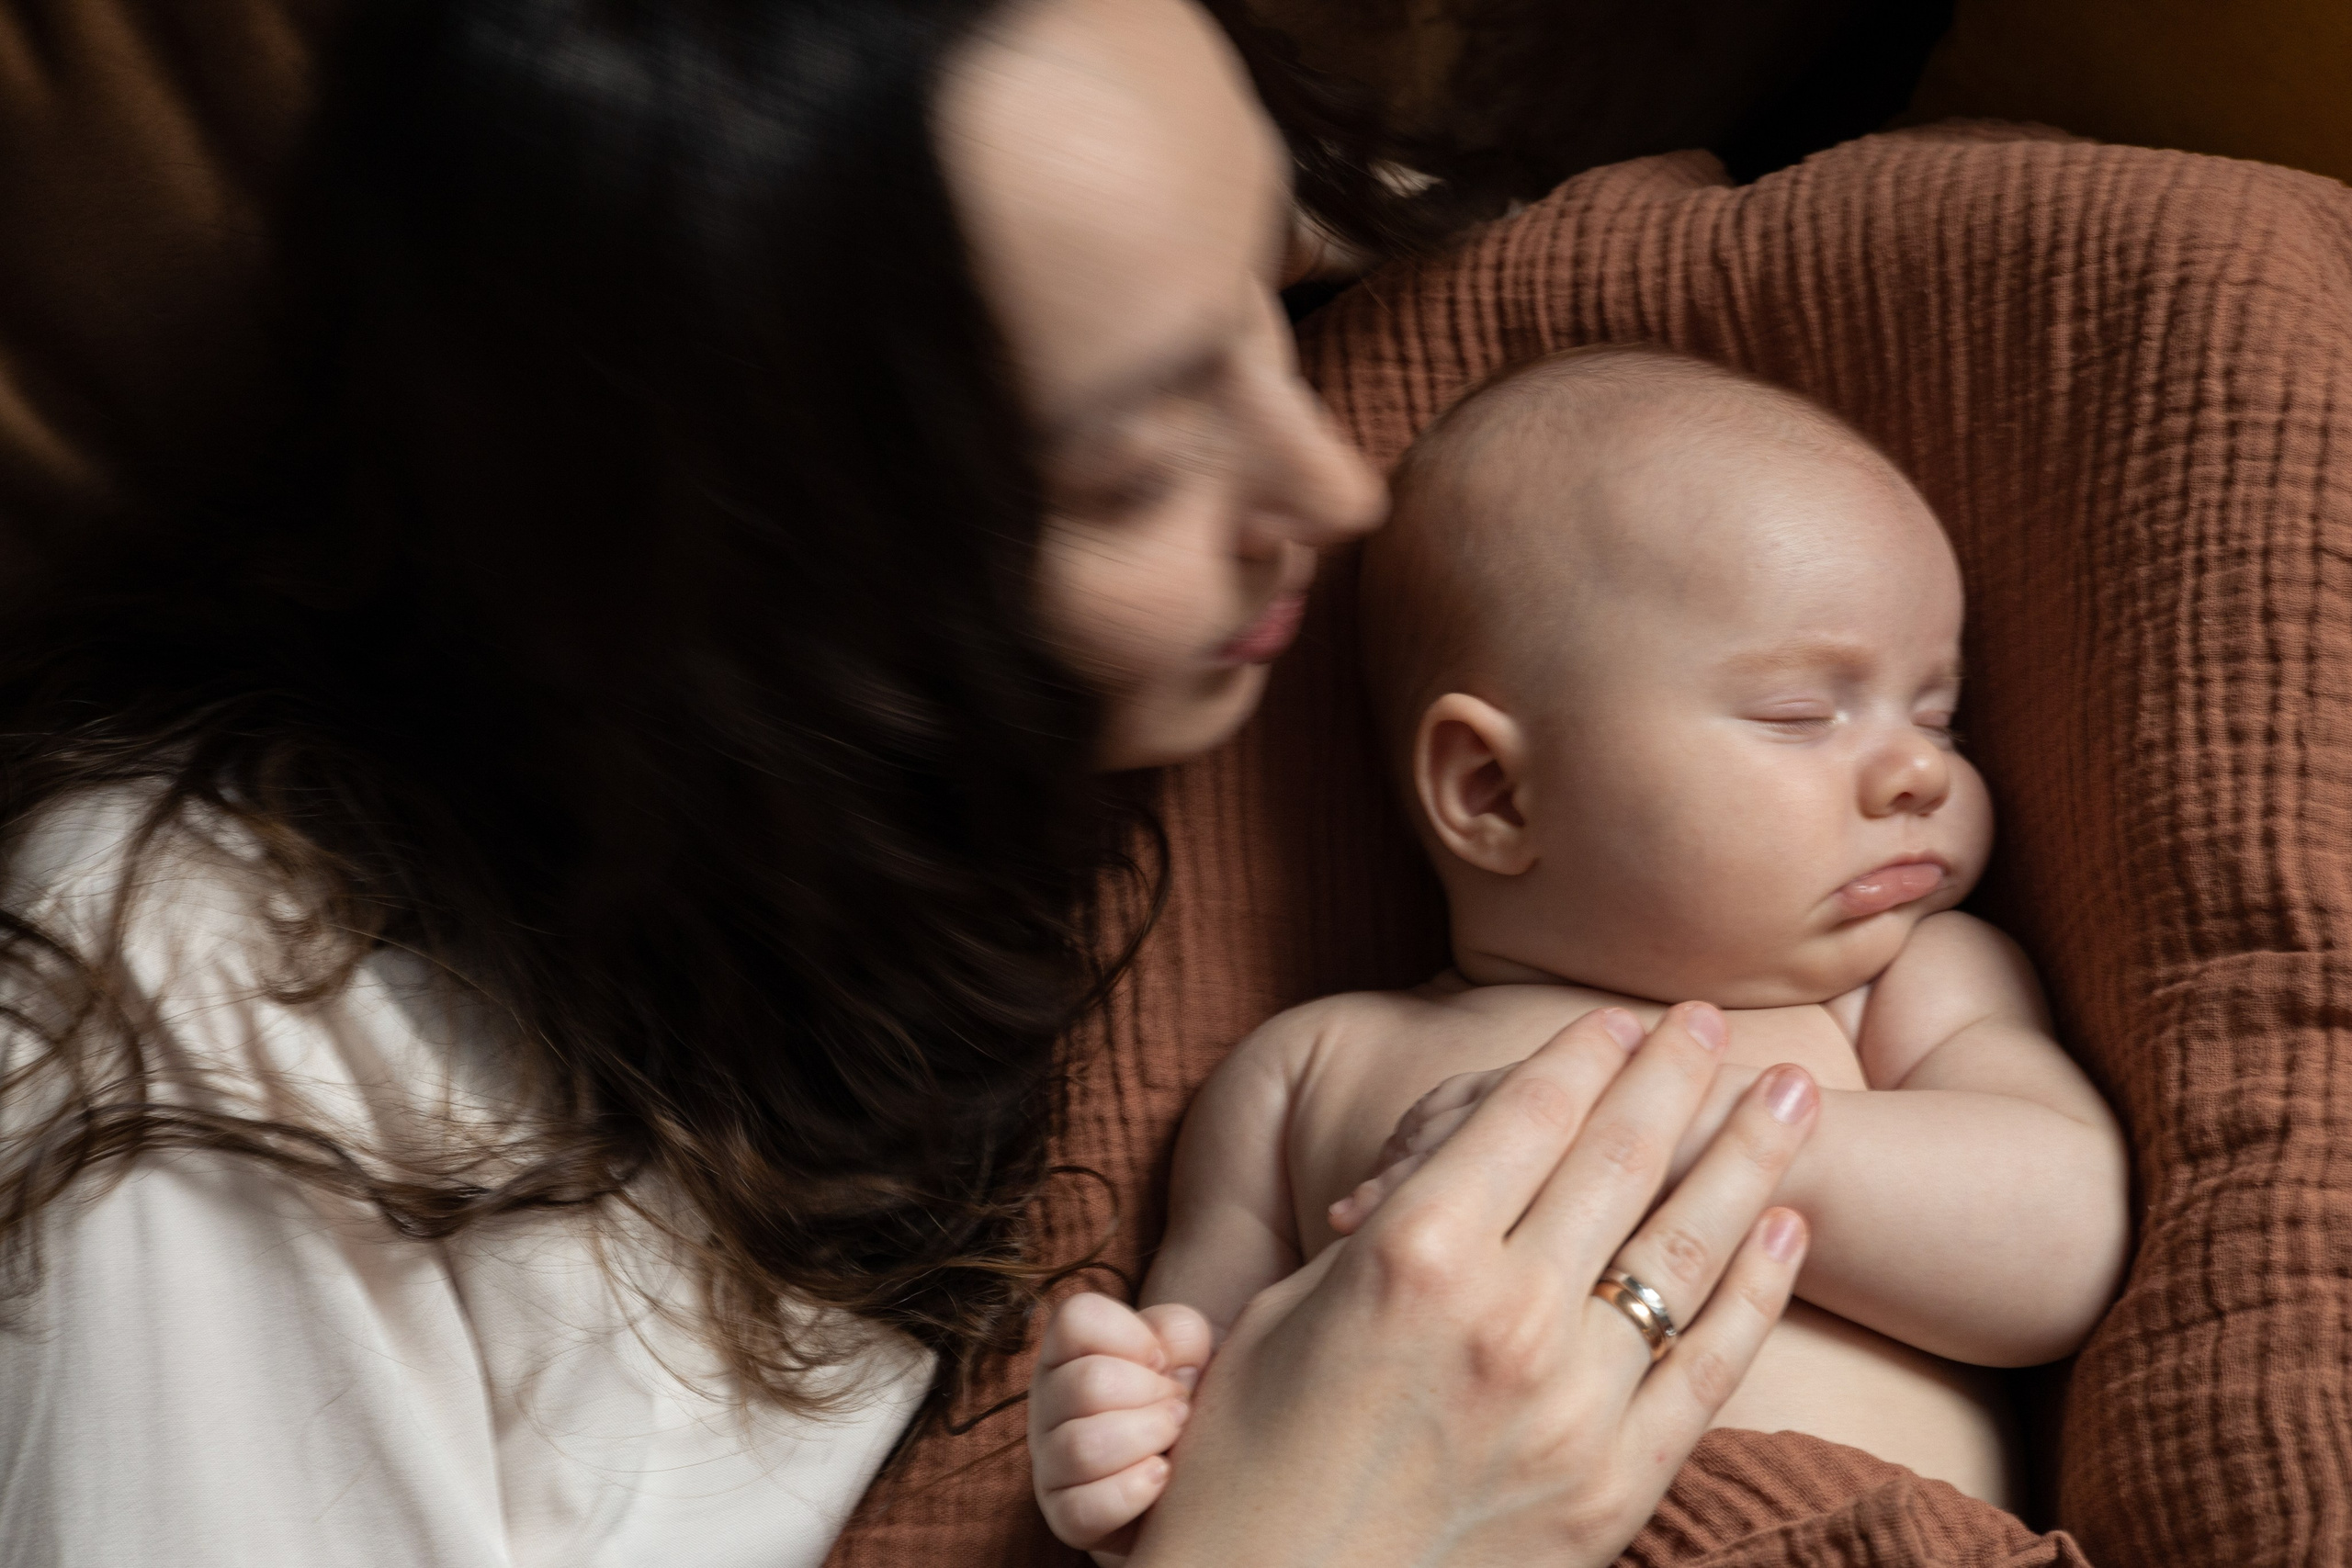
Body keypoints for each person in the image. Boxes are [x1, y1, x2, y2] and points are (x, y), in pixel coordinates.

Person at [0, 5, 1812, 1566]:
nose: (1331, 491)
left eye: (1270, 296)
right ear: (722, 580)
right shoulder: (193, 1029)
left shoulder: (1088, 742)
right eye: (1121, 474)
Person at [1028, 346, 2132, 1554]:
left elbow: (2064, 1246)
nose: (1921, 770)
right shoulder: (1304, 1068)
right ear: (1494, 789)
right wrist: (1124, 1441)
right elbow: (1246, 1433)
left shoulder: (1904, 985)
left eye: (1940, 715)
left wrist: (1710, 1137)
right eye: (1804, 714)